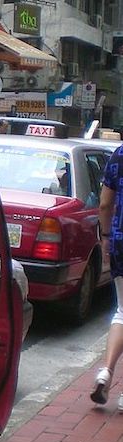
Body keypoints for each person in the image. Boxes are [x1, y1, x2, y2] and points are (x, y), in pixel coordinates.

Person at [91, 145, 123, 409]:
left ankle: (106, 371)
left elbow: (104, 203)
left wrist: (105, 237)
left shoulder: (120, 154)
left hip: (121, 243)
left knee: (122, 311)